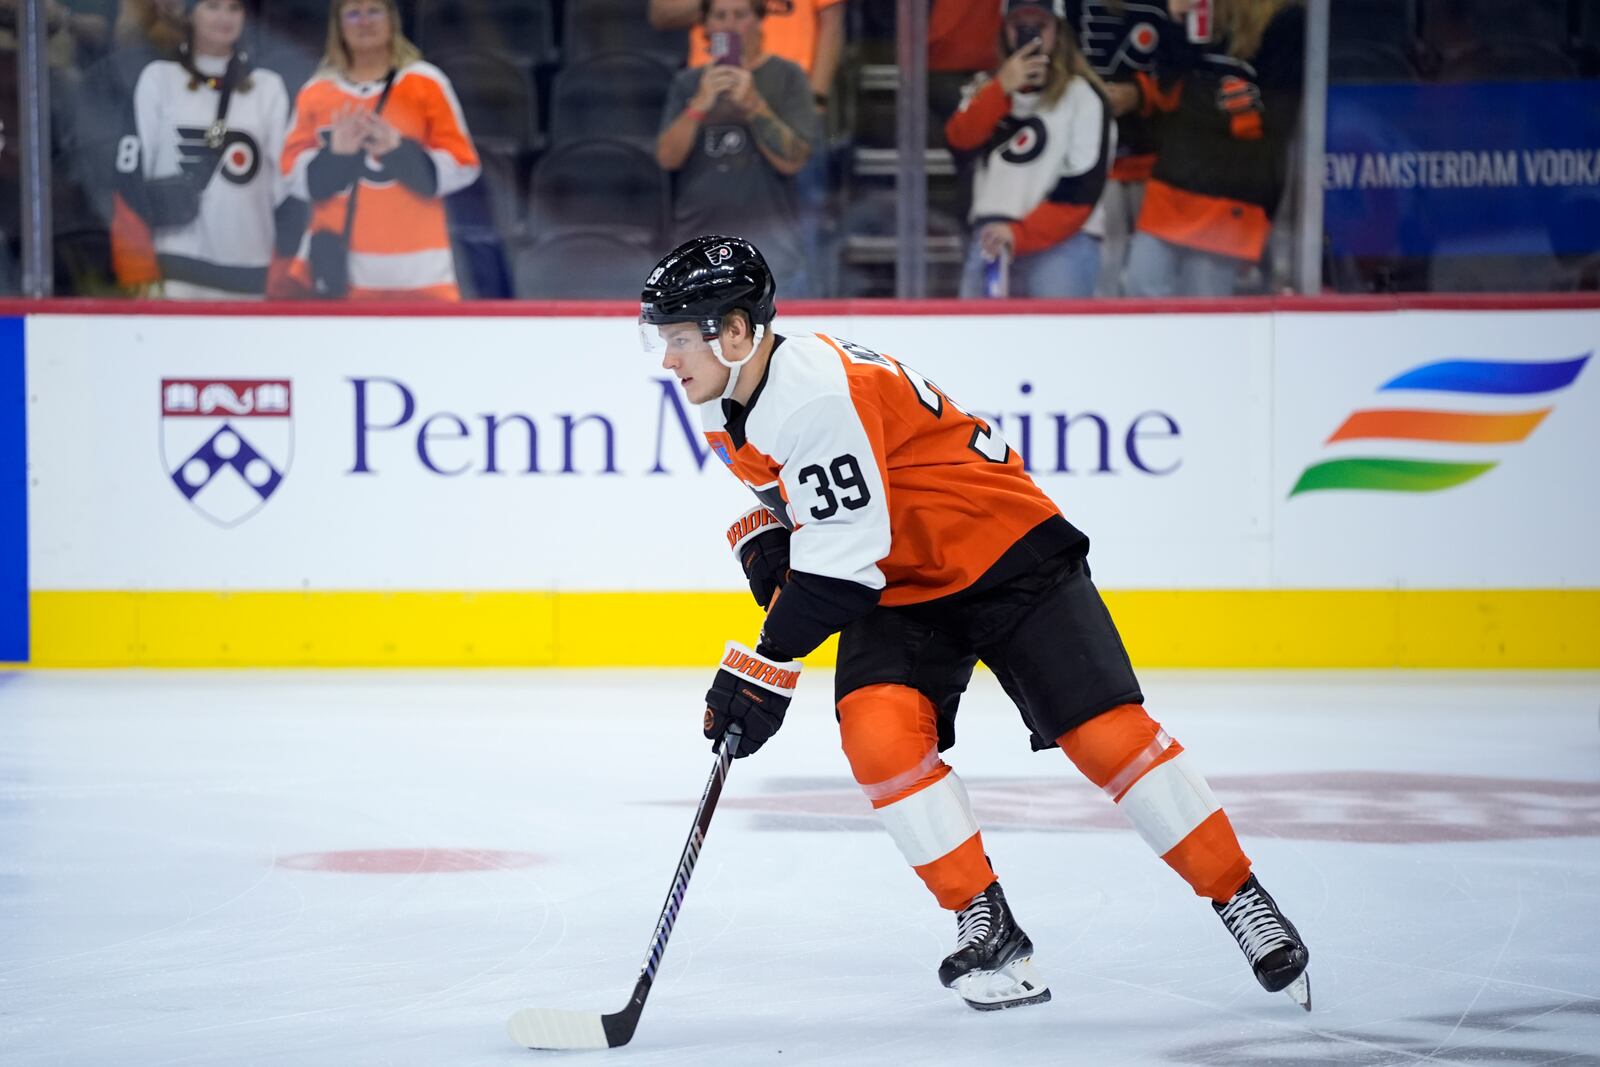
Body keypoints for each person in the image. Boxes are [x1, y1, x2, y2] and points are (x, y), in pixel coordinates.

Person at [639, 233, 1313, 1013]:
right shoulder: (731, 397)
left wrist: (766, 664)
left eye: (680, 337)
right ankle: (985, 922)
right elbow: (832, 516)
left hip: (1005, 551)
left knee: (1106, 735)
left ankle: (1238, 896)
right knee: (879, 736)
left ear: (734, 331)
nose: (667, 358)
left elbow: (841, 564)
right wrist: (774, 540)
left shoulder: (812, 391)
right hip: (901, 578)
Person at [278, 0, 479, 300]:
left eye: (374, 11)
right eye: (353, 13)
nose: (364, 22)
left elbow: (464, 165)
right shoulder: (316, 91)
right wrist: (334, 157)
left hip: (419, 273)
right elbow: (289, 174)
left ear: (392, 19)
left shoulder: (426, 83)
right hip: (339, 271)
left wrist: (398, 151)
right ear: (339, 25)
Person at [111, 0, 292, 299]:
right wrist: (137, 269)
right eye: (212, 6)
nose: (225, 17)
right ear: (189, 13)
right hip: (176, 269)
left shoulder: (268, 88)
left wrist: (283, 275)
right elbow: (131, 182)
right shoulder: (159, 79)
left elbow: (286, 189)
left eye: (235, 8)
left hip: (250, 272)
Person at [1122, 0, 1305, 297]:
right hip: (1171, 186)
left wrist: (1193, 98)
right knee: (1139, 294)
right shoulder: (1199, 11)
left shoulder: (1285, 19)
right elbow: (1168, 94)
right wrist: (1175, 22)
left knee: (1205, 317)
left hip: (1233, 193)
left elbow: (1272, 118)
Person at [946, 0, 1114, 298]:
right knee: (975, 340)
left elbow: (1081, 188)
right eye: (1019, 26)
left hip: (1063, 243)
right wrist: (1001, 90)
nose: (1030, 35)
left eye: (1040, 26)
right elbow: (960, 144)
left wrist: (1020, 235)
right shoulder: (986, 90)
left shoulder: (1084, 96)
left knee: (1058, 342)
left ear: (1059, 32)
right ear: (1004, 32)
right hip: (992, 236)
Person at [656, 0, 815, 298]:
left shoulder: (788, 77)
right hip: (698, 251)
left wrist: (755, 105)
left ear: (759, 20)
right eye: (720, 15)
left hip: (772, 251)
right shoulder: (688, 83)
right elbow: (667, 157)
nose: (729, 24)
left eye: (740, 15)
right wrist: (698, 106)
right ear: (706, 26)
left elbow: (793, 161)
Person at [1065, 0, 1177, 295]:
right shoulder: (1074, 6)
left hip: (1156, 151)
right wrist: (1087, 88)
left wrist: (1140, 94)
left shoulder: (1169, 7)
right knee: (1105, 256)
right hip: (1095, 152)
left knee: (1152, 265)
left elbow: (1182, 68)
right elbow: (1062, 52)